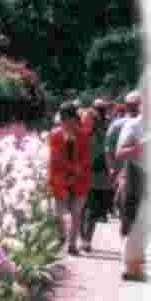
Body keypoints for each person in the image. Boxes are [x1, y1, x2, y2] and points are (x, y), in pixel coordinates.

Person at [115, 78, 150, 281]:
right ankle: (131, 267)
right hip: (137, 177)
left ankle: (136, 263)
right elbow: (119, 152)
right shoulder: (133, 126)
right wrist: (139, 148)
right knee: (134, 221)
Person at [47, 101, 92, 255]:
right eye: (63, 119)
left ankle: (72, 245)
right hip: (60, 179)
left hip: (80, 180)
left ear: (74, 119)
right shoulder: (55, 134)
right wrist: (72, 169)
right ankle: (61, 238)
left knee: (76, 213)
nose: (66, 123)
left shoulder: (83, 135)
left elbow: (86, 157)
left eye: (68, 119)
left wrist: (79, 169)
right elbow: (55, 157)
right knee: (59, 213)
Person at [79, 98, 114, 251]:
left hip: (92, 173)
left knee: (86, 207)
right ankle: (85, 239)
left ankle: (85, 239)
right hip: (95, 173)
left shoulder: (101, 128)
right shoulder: (103, 128)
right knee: (89, 208)